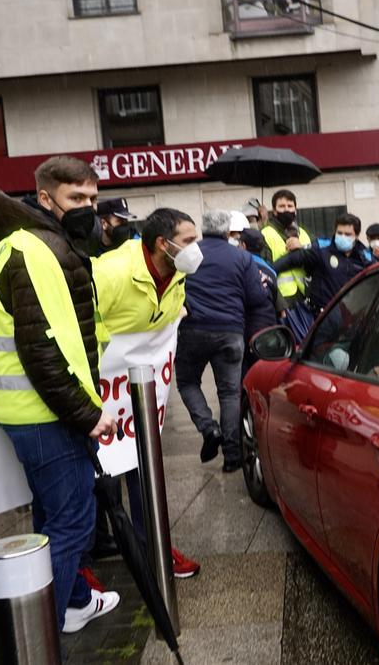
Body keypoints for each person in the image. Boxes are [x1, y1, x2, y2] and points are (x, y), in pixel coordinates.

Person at [0, 156, 119, 635]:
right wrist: (87, 415)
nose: (88, 207)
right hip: (47, 414)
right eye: (76, 198)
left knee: (50, 519)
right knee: (71, 525)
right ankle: (44, 633)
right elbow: (43, 349)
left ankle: (76, 602)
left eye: (93, 199)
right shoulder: (36, 249)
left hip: (35, 411)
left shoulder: (32, 243)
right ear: (45, 198)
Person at [91, 208, 203, 579]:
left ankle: (152, 544)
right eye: (189, 241)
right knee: (95, 476)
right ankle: (83, 560)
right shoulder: (110, 273)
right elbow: (78, 325)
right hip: (102, 395)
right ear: (163, 243)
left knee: (144, 467)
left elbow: (162, 316)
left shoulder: (176, 274)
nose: (196, 249)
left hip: (137, 400)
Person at [178, 209, 274, 471]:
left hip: (193, 330)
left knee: (187, 382)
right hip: (231, 332)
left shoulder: (189, 255)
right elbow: (256, 298)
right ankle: (232, 457)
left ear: (202, 228)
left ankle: (209, 428)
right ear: (226, 231)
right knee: (230, 393)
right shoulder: (242, 257)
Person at [274, 213, 372, 315]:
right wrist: (268, 271)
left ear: (356, 236)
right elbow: (291, 260)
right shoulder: (321, 248)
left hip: (353, 316)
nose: (343, 237)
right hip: (323, 316)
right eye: (339, 233)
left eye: (347, 234)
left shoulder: (365, 257)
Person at [261, 189, 315, 339]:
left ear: (296, 210)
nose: (287, 210)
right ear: (275, 211)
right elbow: (265, 270)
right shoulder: (266, 234)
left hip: (304, 296)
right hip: (282, 301)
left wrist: (302, 249)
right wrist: (292, 257)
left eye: (290, 206)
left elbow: (313, 262)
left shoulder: (302, 233)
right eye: (282, 206)